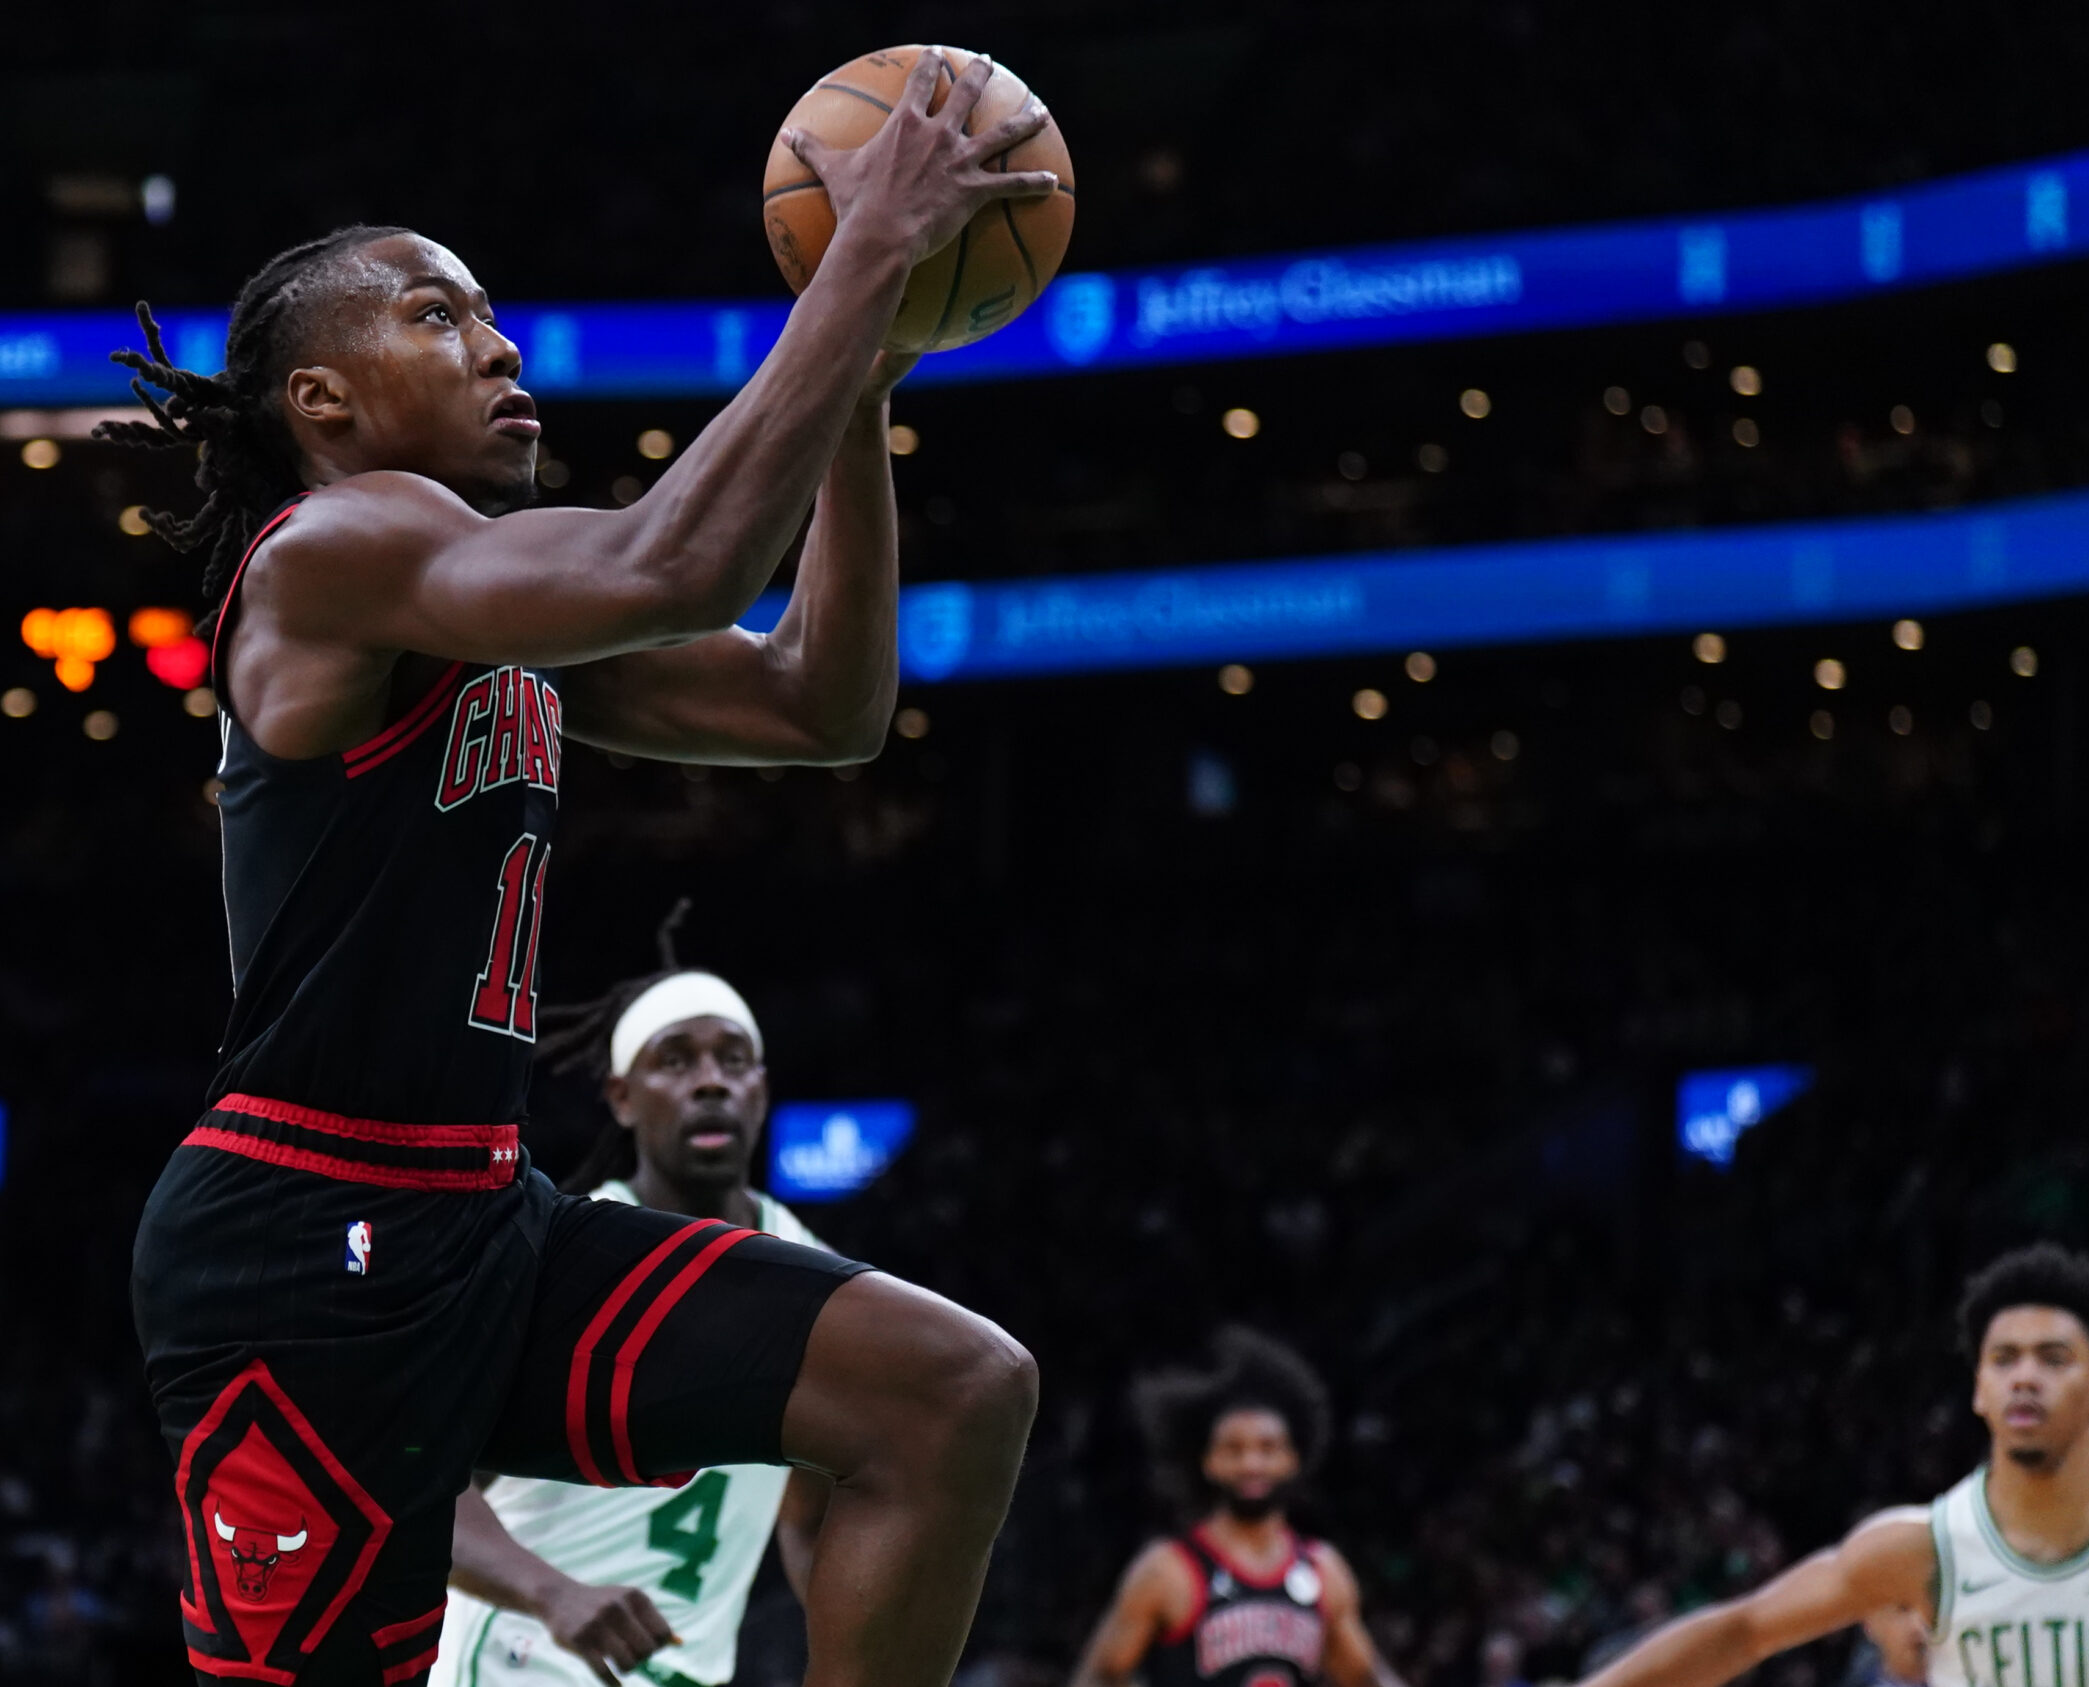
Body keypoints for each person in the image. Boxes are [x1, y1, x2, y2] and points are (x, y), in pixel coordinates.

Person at [111, 49, 1056, 1687]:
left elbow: (819, 705)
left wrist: (865, 382)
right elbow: (678, 560)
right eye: (433, 316)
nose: (498, 345)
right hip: (302, 1248)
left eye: (488, 312)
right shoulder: (333, 552)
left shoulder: (478, 599)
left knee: (951, 1392)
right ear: (321, 405)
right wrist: (854, 273)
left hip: (488, 1223)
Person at [431, 952, 834, 1687]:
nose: (710, 1079)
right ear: (621, 1096)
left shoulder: (824, 1285)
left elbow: (809, 1522)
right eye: (675, 1060)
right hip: (521, 1660)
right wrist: (552, 1592)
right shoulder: (556, 1260)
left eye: (732, 1059)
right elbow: (418, 1480)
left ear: (761, 1088)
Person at [1572, 1244, 2089, 1687]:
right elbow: (1743, 1631)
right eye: (2004, 1360)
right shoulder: (1921, 1549)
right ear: (1980, 1390)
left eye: (2054, 1360)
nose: (2025, 1377)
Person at [1070, 1329, 1405, 1687]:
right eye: (1233, 1449)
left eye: (1268, 1448)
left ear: (1293, 1459)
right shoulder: (1167, 1570)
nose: (1251, 1463)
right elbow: (1097, 1677)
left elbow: (1366, 1678)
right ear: (1208, 1462)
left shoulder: (1323, 1571)